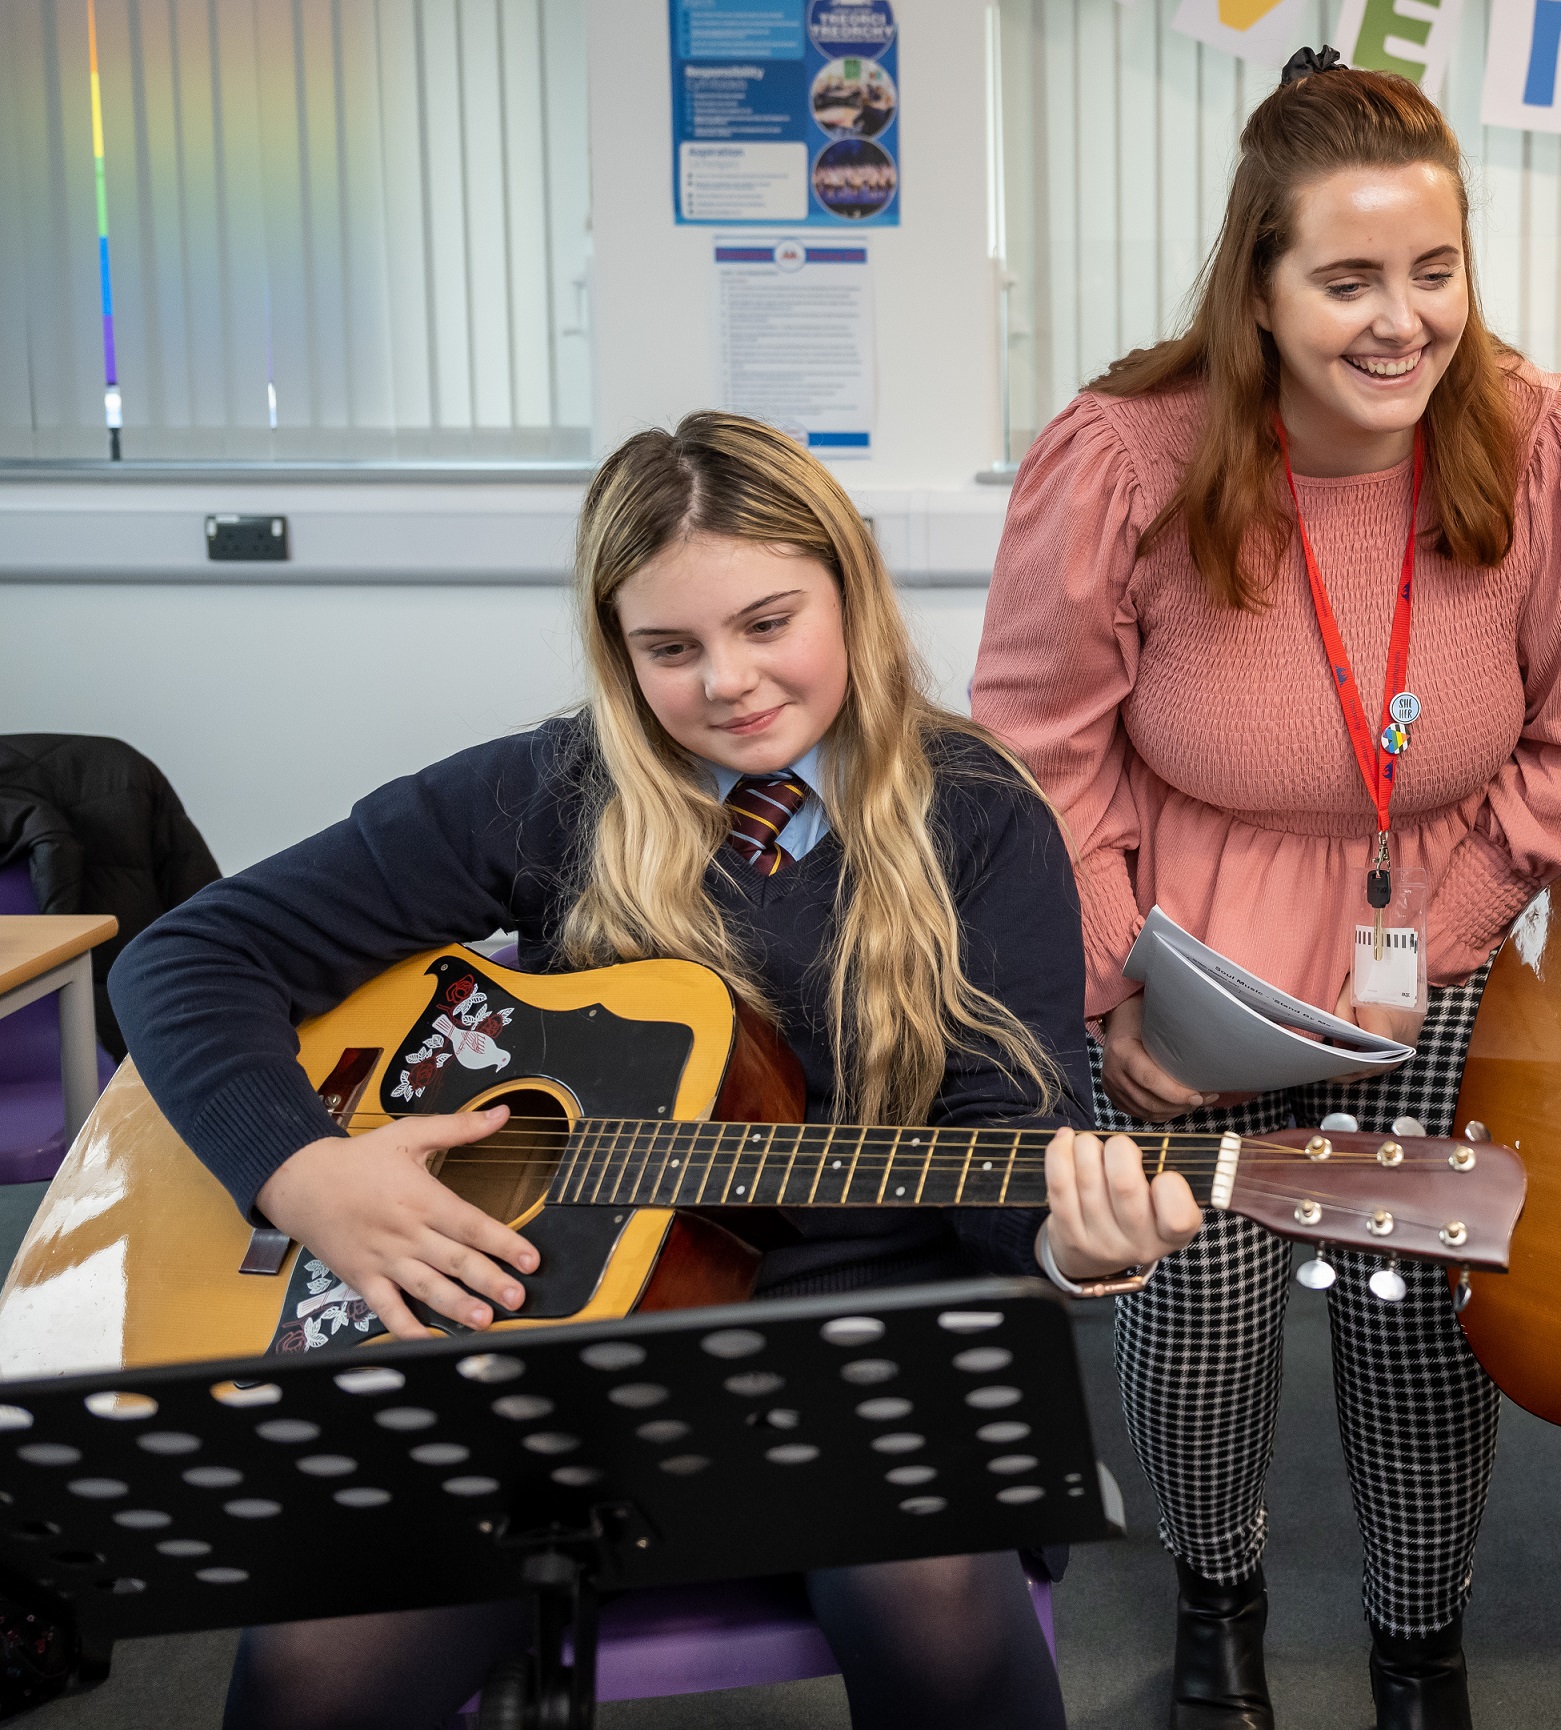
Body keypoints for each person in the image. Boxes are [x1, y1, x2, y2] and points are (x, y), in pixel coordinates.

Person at [111, 411, 1202, 1730]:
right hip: (556, 1342)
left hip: (859, 1358)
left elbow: (1009, 1134)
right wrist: (306, 1172)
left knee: (939, 1608)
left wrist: (1073, 1240)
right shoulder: (553, 790)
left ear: (849, 588)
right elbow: (185, 958)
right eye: (669, 647)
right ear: (616, 647)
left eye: (767, 620)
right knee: (313, 1667)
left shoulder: (979, 813)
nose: (728, 680)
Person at [970, 56, 1561, 1730]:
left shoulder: (1545, 439)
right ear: (1257, 287)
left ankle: (1421, 1647)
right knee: (1200, 1322)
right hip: (1186, 965)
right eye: (1346, 279)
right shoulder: (1127, 455)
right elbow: (1034, 747)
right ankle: (1219, 1613)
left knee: (1416, 1320)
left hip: (1438, 950)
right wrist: (1121, 975)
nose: (1399, 322)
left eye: (1433, 271)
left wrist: (1453, 925)